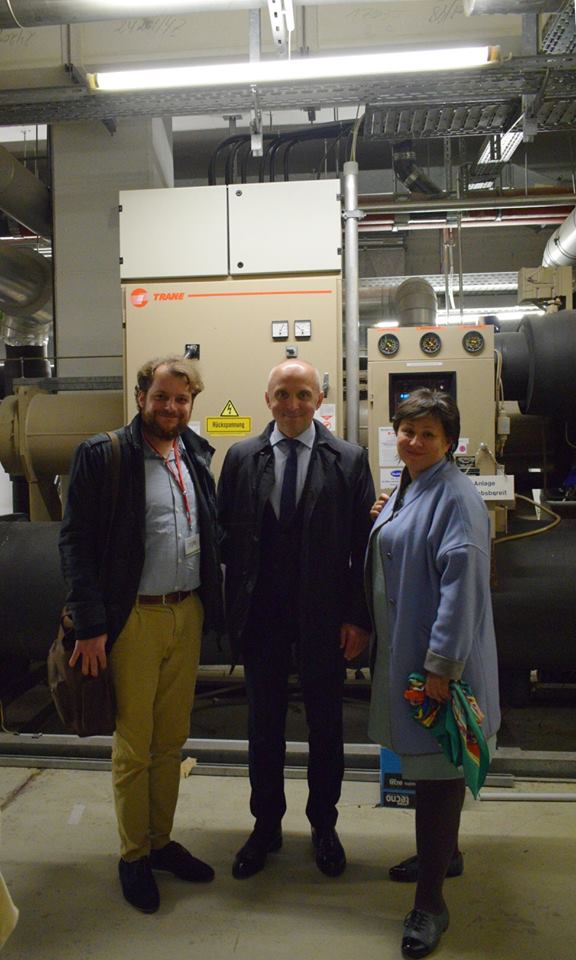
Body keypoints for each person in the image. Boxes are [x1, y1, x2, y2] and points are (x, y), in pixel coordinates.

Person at [59, 355, 223, 914]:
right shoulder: (103, 454)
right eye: (161, 397)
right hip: (133, 617)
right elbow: (75, 542)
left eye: (181, 399)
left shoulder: (195, 453)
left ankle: (160, 842)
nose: (171, 408)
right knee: (134, 745)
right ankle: (133, 855)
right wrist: (90, 625)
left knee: (171, 741)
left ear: (191, 403)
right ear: (140, 398)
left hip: (186, 611)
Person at [217, 359, 375, 880]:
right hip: (261, 617)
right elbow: (225, 537)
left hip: (324, 619)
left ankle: (324, 826)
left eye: (303, 394)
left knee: (326, 727)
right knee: (263, 728)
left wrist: (357, 617)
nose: (292, 404)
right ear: (267, 399)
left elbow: (362, 547)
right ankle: (266, 827)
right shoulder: (241, 458)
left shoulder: (348, 459)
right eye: (282, 394)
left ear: (319, 400)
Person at [366, 388, 500, 959]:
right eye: (407, 431)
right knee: (430, 765)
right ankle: (446, 855)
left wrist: (442, 666)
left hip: (438, 663)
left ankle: (430, 904)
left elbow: (461, 586)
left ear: (450, 443)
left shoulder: (456, 497)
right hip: (409, 652)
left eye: (428, 434)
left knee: (440, 773)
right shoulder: (411, 484)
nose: (415, 441)